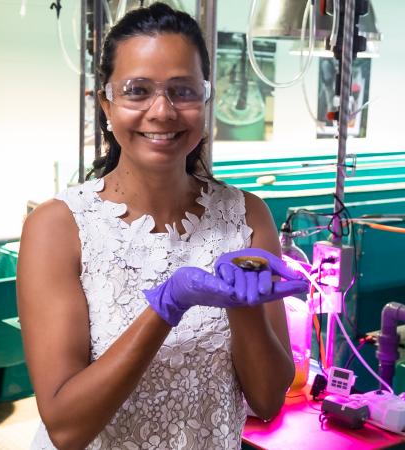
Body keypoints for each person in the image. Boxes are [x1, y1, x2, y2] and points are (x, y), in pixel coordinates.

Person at [16, 3, 308, 449]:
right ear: (106, 105)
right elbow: (66, 428)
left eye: (182, 91)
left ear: (204, 100)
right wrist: (167, 305)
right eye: (137, 90)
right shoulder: (58, 227)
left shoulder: (246, 216)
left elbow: (267, 400)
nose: (162, 111)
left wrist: (242, 301)